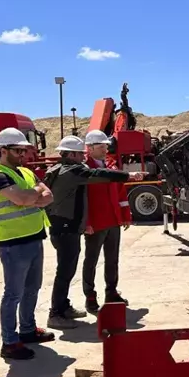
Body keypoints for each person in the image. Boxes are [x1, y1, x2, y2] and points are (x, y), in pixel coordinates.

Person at [43, 135, 145, 329]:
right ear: (72, 153)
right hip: (70, 227)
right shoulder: (73, 171)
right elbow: (95, 179)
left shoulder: (61, 169)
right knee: (67, 271)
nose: (83, 157)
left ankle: (64, 307)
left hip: (73, 226)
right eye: (80, 153)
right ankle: (57, 312)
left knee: (72, 269)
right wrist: (128, 175)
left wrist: (124, 213)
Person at [0, 127, 55, 360]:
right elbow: (23, 198)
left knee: (32, 289)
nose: (23, 155)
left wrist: (29, 198)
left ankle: (28, 330)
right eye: (17, 150)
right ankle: (10, 342)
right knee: (13, 294)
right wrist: (33, 195)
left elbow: (48, 196)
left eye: (24, 150)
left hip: (35, 238)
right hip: (13, 243)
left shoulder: (25, 172)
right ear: (3, 150)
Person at [82, 130, 132, 313]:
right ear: (90, 148)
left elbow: (120, 193)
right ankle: (90, 296)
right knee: (91, 261)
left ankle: (111, 292)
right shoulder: (83, 169)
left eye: (106, 146)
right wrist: (85, 222)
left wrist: (125, 215)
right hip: (95, 223)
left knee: (112, 260)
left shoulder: (111, 166)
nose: (105, 149)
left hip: (113, 221)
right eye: (101, 146)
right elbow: (83, 199)